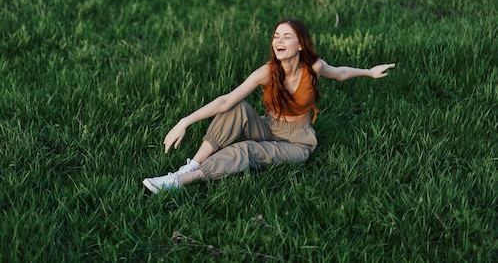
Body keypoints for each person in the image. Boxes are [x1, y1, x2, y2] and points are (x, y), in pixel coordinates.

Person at [142, 18, 395, 194]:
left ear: (301, 44)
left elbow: (339, 73)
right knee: (237, 108)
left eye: (287, 36)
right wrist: (184, 121)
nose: (278, 41)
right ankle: (192, 165)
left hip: (297, 143)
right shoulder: (267, 72)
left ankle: (178, 182)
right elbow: (226, 100)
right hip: (269, 127)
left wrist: (369, 72)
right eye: (276, 36)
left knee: (247, 150)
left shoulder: (313, 68)